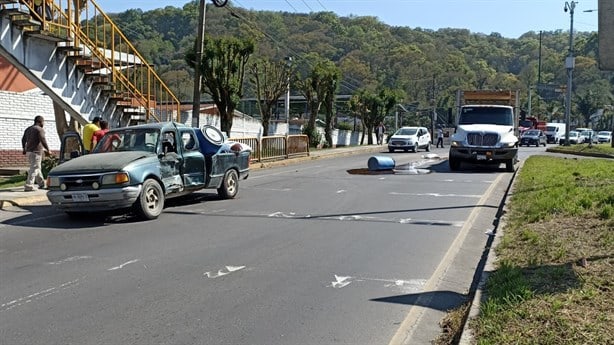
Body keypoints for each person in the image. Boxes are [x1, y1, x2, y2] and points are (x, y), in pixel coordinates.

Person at [21, 115, 50, 191]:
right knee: (34, 168)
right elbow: (43, 139)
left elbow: (23, 139)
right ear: (39, 122)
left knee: (37, 168)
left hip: (29, 151)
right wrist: (48, 149)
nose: (43, 124)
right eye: (43, 122)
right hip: (36, 152)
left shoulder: (28, 129)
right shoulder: (39, 129)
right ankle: (29, 185)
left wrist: (24, 148)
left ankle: (42, 184)